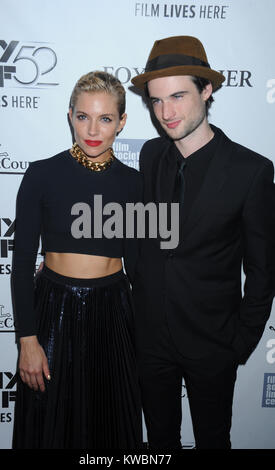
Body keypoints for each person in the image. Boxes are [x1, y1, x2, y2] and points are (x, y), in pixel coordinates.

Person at [131, 35, 275, 449]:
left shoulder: (251, 171)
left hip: (213, 343)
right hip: (151, 338)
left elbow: (263, 269)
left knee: (214, 439)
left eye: (177, 96)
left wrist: (239, 343)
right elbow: (142, 236)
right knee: (159, 440)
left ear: (207, 90)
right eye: (156, 101)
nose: (166, 112)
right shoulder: (150, 156)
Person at [11, 71, 143, 449]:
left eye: (105, 118)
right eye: (83, 116)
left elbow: (138, 266)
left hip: (114, 310)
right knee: (50, 425)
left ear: (122, 121)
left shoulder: (135, 184)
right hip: (54, 308)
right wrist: (27, 340)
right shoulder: (41, 175)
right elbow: (22, 266)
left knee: (111, 424)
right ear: (70, 115)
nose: (93, 129)